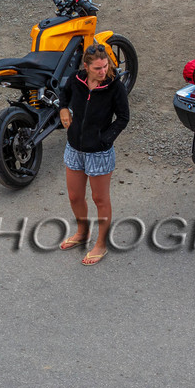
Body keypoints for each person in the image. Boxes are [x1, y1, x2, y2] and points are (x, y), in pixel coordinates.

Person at [58, 43, 131, 266]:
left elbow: (123, 118)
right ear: (86, 66)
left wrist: (104, 139)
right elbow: (63, 93)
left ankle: (102, 244)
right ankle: (82, 233)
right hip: (74, 148)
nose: (103, 72)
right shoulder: (76, 80)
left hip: (99, 152)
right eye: (97, 68)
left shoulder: (114, 87)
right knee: (74, 196)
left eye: (105, 66)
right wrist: (62, 109)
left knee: (100, 199)